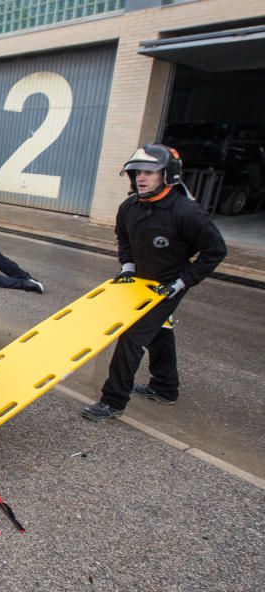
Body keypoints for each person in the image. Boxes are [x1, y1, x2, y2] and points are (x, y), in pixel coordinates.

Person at [82, 144, 226, 422]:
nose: (141, 179)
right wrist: (127, 265)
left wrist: (182, 282)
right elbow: (124, 238)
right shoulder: (129, 207)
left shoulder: (187, 212)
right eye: (137, 173)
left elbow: (215, 251)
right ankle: (165, 387)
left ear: (167, 175)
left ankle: (112, 402)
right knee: (160, 331)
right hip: (139, 282)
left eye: (150, 172)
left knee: (131, 338)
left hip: (167, 286)